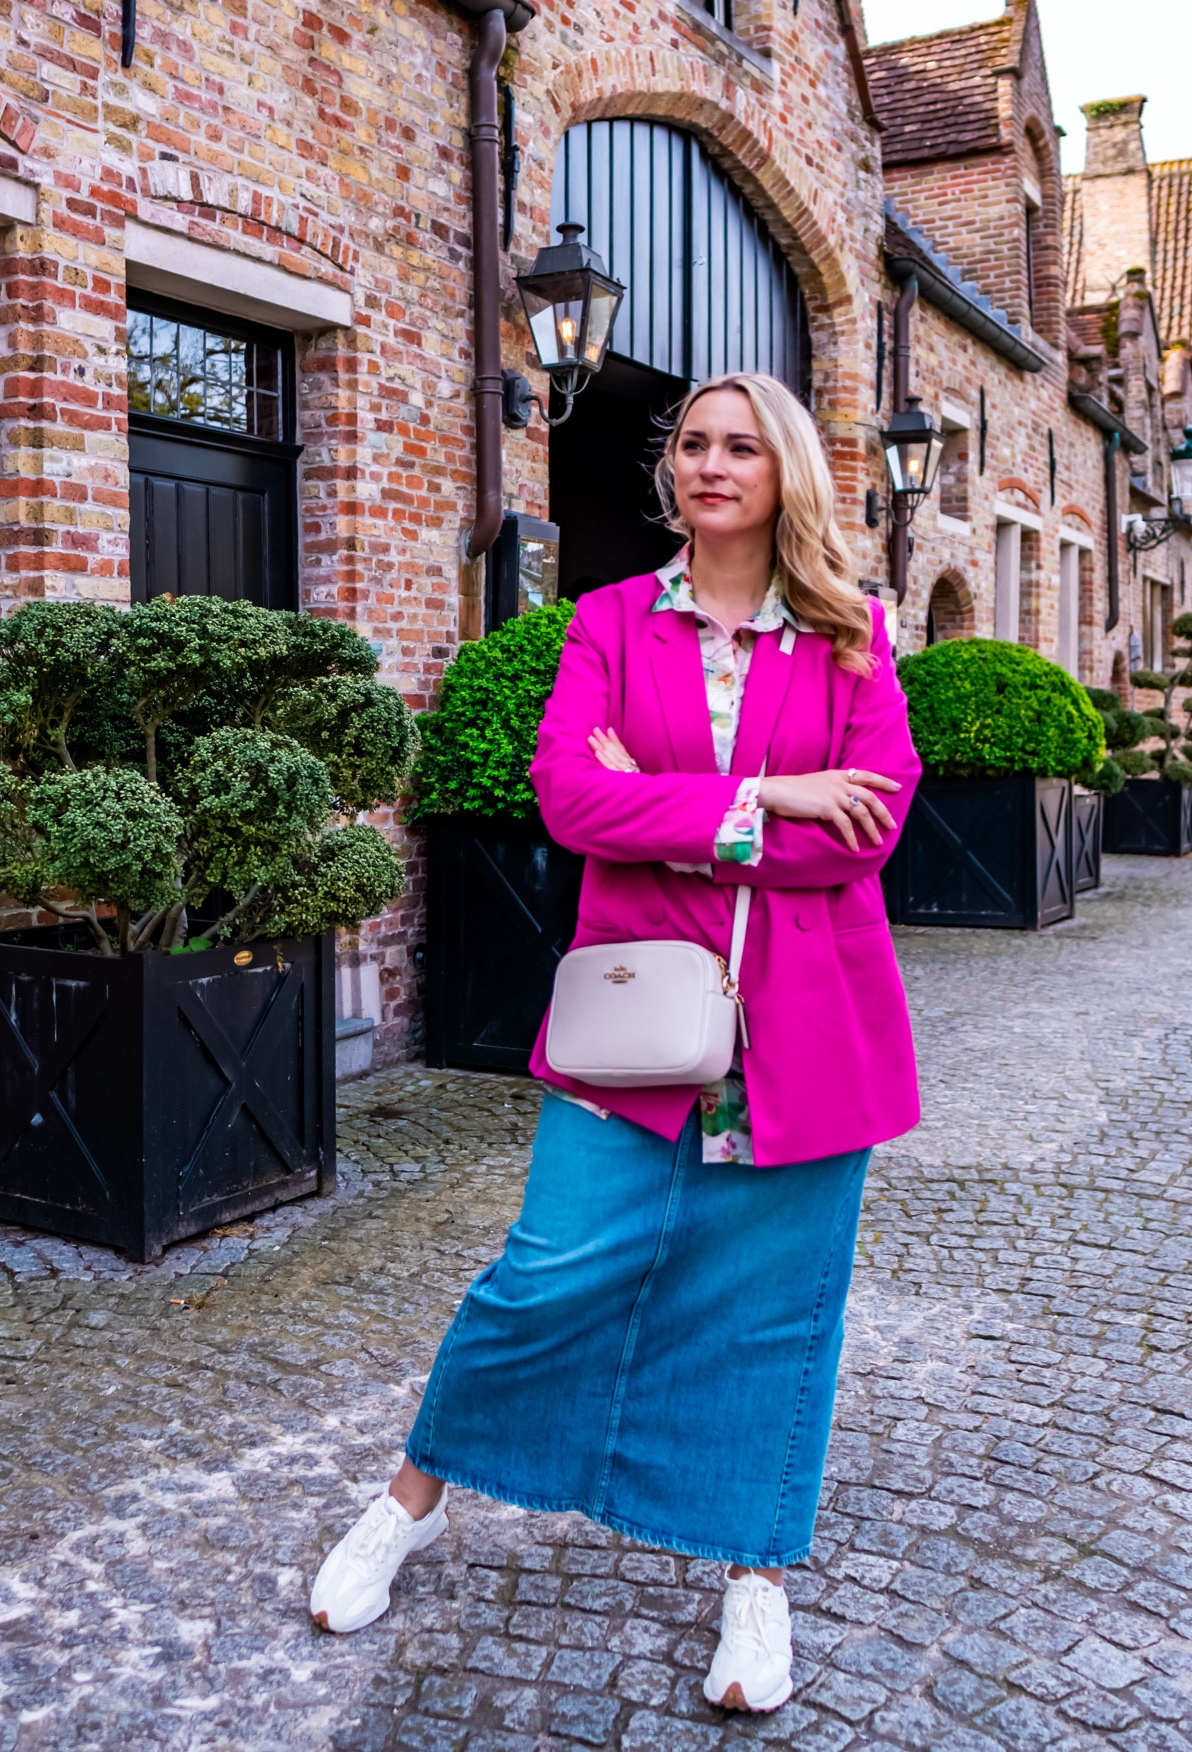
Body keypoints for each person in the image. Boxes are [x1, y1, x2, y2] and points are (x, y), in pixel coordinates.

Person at [309, 371, 922, 1711]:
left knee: (773, 1311)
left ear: (786, 471)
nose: (711, 464)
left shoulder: (855, 634)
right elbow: (570, 799)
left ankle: (754, 1575)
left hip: (801, 1034)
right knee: (544, 1273)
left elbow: (868, 828)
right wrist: (768, 796)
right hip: (635, 1015)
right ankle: (411, 1501)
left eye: (742, 446)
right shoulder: (605, 622)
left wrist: (673, 809)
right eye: (693, 444)